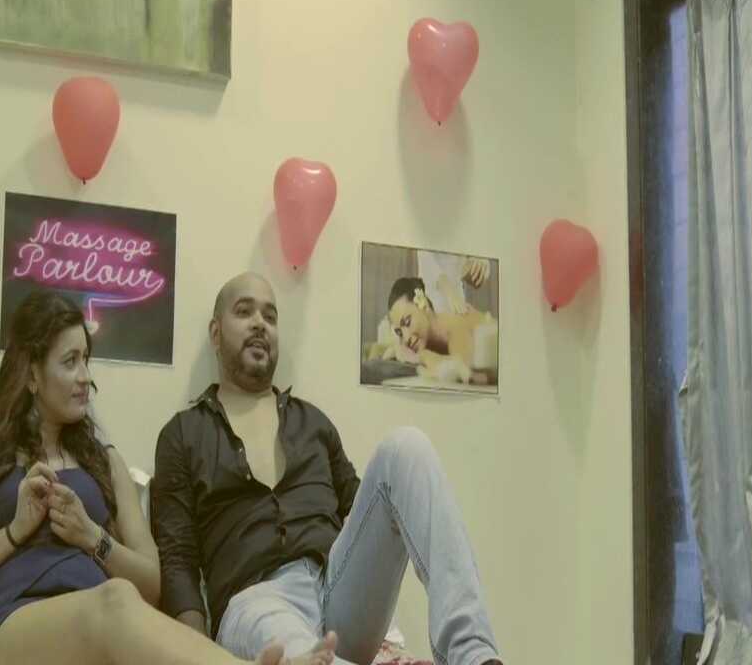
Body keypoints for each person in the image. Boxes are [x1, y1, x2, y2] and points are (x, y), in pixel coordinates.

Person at [0, 290, 336, 665]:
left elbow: (152, 585)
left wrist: (91, 536)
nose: (85, 377)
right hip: (13, 625)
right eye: (70, 362)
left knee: (123, 605)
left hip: (104, 634)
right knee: (116, 599)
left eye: (86, 360)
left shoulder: (105, 463)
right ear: (30, 375)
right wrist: (15, 532)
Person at [151, 273, 504, 665]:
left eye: (270, 316)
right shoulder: (182, 435)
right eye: (244, 311)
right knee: (289, 642)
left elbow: (366, 510)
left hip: (336, 592)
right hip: (255, 602)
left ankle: (473, 654)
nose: (259, 324)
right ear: (216, 334)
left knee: (406, 447)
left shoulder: (313, 424)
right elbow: (178, 559)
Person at [384, 276, 496, 384]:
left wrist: (424, 356)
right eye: (400, 332)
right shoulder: (426, 341)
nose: (406, 338)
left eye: (407, 322)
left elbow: (466, 375)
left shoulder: (454, 324)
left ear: (423, 304)